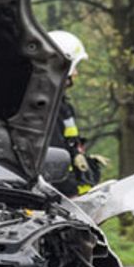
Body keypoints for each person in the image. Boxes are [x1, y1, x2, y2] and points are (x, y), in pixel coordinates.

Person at [47, 30, 104, 197]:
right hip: (62, 196)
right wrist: (73, 192)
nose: (76, 73)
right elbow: (54, 163)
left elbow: (66, 146)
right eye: (75, 67)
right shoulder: (49, 110)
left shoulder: (60, 106)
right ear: (62, 65)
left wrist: (82, 159)